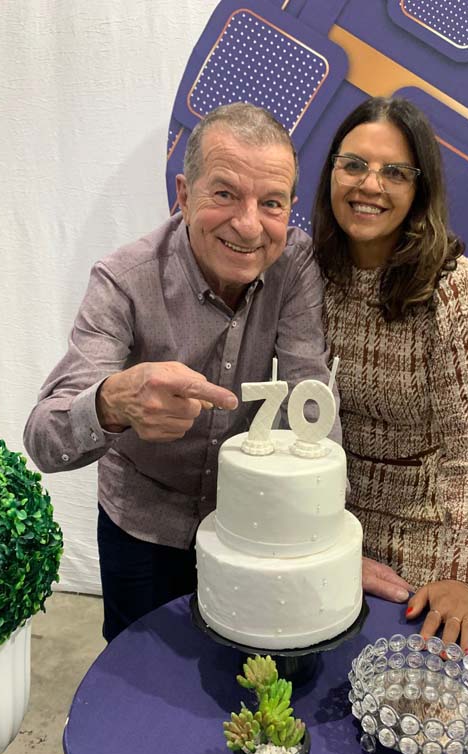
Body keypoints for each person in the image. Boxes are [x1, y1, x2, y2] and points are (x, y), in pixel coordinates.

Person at [24, 102, 339, 642]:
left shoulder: (294, 264)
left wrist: (325, 531)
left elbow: (308, 396)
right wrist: (112, 403)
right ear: (184, 195)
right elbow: (43, 439)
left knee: (249, 670)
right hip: (142, 526)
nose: (249, 225)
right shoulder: (123, 281)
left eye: (271, 203)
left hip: (249, 527)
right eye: (225, 194)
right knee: (138, 665)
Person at [312, 95, 468, 654]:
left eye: (395, 173)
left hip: (423, 539)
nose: (370, 185)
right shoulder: (307, 273)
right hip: (317, 523)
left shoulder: (456, 287)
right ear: (331, 171)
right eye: (354, 164)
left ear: (419, 189)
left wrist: (460, 572)